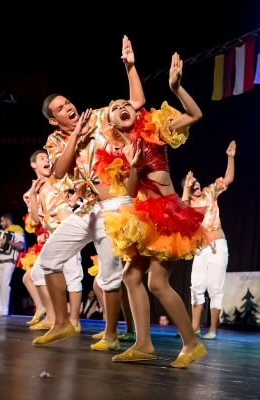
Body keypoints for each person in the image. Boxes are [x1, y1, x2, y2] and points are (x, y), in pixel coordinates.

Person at [93, 53, 207, 367]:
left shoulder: (154, 130)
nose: (121, 108)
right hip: (145, 218)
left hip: (168, 215)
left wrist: (176, 87)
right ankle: (143, 343)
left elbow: (194, 115)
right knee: (131, 276)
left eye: (124, 104)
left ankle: (192, 343)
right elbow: (129, 193)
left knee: (156, 282)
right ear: (112, 126)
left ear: (134, 110)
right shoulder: (115, 157)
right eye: (114, 109)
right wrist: (130, 168)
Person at [33, 35, 145, 348]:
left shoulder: (98, 116)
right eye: (61, 109)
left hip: (115, 206)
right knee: (48, 260)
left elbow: (135, 103)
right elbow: (58, 170)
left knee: (109, 276)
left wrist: (130, 67)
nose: (69, 108)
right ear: (54, 120)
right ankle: (61, 323)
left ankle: (111, 334)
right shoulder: (56, 141)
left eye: (68, 102)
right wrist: (76, 136)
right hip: (88, 209)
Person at [23, 149, 83, 334]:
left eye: (47, 158)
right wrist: (33, 196)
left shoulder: (59, 178)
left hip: (68, 226)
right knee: (37, 273)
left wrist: (74, 199)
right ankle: (51, 317)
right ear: (34, 165)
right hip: (54, 234)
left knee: (73, 274)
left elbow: (80, 186)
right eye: (42, 158)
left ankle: (74, 321)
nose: (46, 160)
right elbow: (35, 220)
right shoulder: (28, 194)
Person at [181, 141, 236, 339]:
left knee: (215, 288)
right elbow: (181, 212)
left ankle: (212, 329)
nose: (194, 183)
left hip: (218, 245)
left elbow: (228, 178)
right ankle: (194, 327)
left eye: (195, 180)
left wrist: (230, 156)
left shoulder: (210, 192)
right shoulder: (187, 204)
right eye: (190, 182)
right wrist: (186, 189)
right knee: (196, 287)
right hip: (201, 249)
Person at [0, 213, 25, 316]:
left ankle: (5, 309)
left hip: (8, 261)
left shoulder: (17, 230)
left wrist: (8, 241)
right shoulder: (2, 233)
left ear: (7, 221)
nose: (1, 223)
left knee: (4, 284)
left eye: (2, 221)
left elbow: (21, 246)